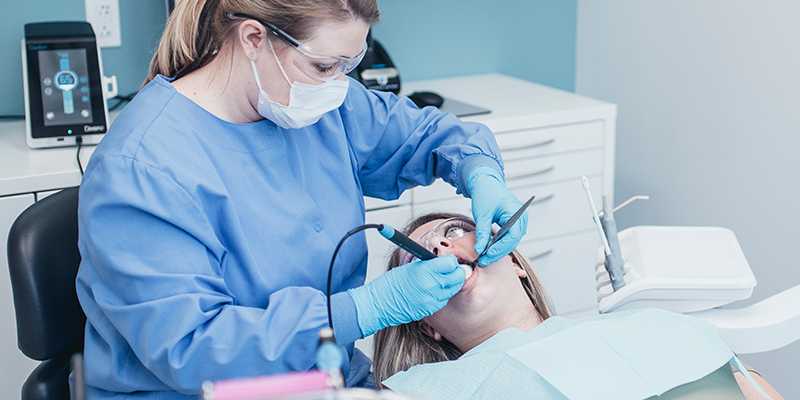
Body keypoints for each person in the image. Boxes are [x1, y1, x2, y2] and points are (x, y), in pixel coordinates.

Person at [75, 0, 529, 398]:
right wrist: (362, 309)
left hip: (326, 378)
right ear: (254, 39)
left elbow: (427, 134)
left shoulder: (318, 101)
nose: (339, 85)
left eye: (350, 64)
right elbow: (194, 349)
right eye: (325, 66)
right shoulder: (142, 168)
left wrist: (479, 171)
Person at [372, 212, 785, 400]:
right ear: (426, 325)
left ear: (514, 261)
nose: (439, 245)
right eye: (415, 258)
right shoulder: (421, 389)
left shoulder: (659, 326)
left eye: (456, 230)